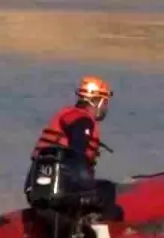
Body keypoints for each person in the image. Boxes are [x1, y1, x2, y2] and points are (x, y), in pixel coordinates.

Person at [24, 75, 123, 225]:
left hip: (34, 189)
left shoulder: (67, 114)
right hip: (64, 189)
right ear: (97, 101)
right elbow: (78, 154)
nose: (105, 108)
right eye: (105, 103)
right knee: (108, 190)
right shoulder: (83, 121)